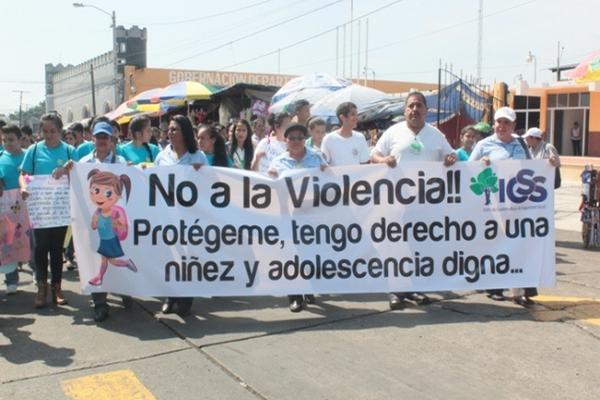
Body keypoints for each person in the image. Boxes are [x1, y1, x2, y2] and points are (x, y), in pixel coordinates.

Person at [371, 91, 456, 310]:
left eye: (419, 106)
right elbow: (374, 155)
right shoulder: (393, 132)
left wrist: (449, 158)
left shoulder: (436, 135)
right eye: (410, 106)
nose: (414, 110)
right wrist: (384, 159)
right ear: (404, 110)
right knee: (394, 247)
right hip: (395, 202)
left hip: (425, 203)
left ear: (426, 110)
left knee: (419, 247)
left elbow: (450, 156)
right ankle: (395, 291)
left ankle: (414, 288)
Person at [469, 107, 559, 306]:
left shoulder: (520, 143)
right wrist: (479, 165)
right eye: (499, 122)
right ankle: (494, 286)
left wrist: (549, 164)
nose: (502, 126)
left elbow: (529, 168)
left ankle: (520, 289)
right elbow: (466, 170)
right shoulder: (484, 144)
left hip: (518, 203)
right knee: (494, 244)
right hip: (491, 205)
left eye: (507, 122)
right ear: (494, 124)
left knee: (518, 244)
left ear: (514, 126)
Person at [20, 112, 79, 308]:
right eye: (45, 131)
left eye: (53, 131)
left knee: (56, 250)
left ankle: (57, 288)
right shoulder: (34, 150)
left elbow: (80, 178)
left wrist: (67, 170)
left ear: (60, 131)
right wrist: (24, 187)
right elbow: (24, 174)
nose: (49, 135)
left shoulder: (70, 151)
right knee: (39, 249)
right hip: (40, 210)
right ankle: (41, 287)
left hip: (61, 210)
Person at [268, 123, 327, 313]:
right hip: (288, 215)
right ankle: (294, 295)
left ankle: (308, 288)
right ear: (285, 141)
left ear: (305, 139)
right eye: (291, 138)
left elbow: (331, 180)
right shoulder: (278, 162)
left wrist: (327, 173)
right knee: (291, 256)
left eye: (299, 138)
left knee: (310, 255)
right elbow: (269, 186)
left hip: (312, 215)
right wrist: (270, 177)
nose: (295, 141)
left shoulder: (317, 158)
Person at [77, 121, 132, 322]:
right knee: (95, 261)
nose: (101, 140)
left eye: (105, 137)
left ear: (111, 140)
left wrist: (138, 170)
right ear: (93, 138)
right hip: (94, 222)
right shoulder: (83, 164)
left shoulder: (122, 162)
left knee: (119, 255)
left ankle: (126, 291)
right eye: (98, 136)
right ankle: (100, 304)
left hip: (116, 221)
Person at [156, 115, 207, 317]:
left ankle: (186, 297)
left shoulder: (198, 157)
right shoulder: (162, 156)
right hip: (167, 216)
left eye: (175, 129)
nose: (170, 133)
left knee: (187, 258)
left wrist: (198, 174)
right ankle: (170, 296)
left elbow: (209, 186)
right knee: (169, 257)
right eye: (169, 129)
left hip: (190, 218)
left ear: (185, 133)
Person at [0, 124, 26, 294]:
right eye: (4, 140)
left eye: (11, 140)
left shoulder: (28, 156)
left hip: (26, 207)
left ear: (20, 139)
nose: (8, 143)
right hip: (5, 210)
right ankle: (11, 280)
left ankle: (39, 277)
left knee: (28, 242)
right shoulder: (1, 158)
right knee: (7, 242)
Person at [321, 102, 370, 166]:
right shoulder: (329, 139)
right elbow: (323, 163)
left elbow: (364, 163)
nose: (356, 118)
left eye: (356, 115)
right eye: (353, 114)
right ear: (342, 118)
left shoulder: (360, 137)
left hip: (357, 176)